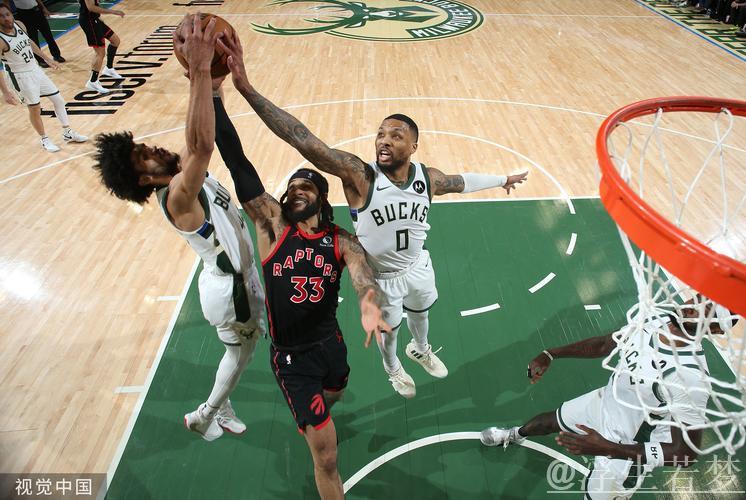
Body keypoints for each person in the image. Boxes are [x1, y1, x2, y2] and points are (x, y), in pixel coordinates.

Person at [217, 31, 528, 399]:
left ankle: (421, 349)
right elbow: (302, 138)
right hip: (381, 275)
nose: (384, 140)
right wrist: (246, 89)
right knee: (388, 331)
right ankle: (393, 367)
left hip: (417, 265)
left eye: (396, 135)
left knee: (422, 312)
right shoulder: (360, 176)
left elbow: (461, 182)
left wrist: (502, 179)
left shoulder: (426, 178)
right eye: (381, 134)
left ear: (413, 146)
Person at [214, 70, 390, 500]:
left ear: (321, 198)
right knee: (326, 457)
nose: (295, 191)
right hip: (292, 359)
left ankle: (316, 416)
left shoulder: (340, 240)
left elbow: (363, 276)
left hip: (330, 345)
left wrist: (370, 305)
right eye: (291, 186)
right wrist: (214, 94)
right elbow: (237, 161)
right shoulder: (273, 226)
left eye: (305, 186)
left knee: (337, 390)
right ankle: (315, 427)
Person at [91, 16, 265, 442]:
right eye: (142, 156)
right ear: (143, 179)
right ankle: (205, 415)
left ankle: (222, 405)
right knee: (241, 355)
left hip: (235, 278)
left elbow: (199, 135)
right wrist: (200, 70)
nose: (152, 147)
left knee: (240, 350)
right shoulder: (176, 196)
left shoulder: (177, 172)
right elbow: (203, 144)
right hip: (230, 288)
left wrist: (211, 84)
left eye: (143, 145)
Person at [480, 305, 738, 500]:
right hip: (605, 402)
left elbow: (685, 454)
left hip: (626, 447)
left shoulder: (690, 377)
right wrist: (552, 354)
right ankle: (513, 435)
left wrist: (609, 448)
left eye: (706, 310)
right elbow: (606, 344)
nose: (692, 306)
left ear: (716, 329)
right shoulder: (655, 318)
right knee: (549, 420)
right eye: (697, 298)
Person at [0, 4, 87, 152]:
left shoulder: (19, 24)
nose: (6, 18)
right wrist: (5, 92)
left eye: (7, 14)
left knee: (58, 100)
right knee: (35, 108)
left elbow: (29, 42)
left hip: (35, 69)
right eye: (1, 16)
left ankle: (67, 132)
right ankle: (44, 139)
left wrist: (46, 58)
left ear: (12, 14)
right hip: (20, 76)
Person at [79, 0, 124, 94]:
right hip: (89, 22)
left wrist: (98, 16)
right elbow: (91, 7)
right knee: (100, 53)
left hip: (95, 19)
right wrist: (113, 12)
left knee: (115, 41)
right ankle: (93, 81)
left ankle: (109, 68)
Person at [5, 0, 65, 66]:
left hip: (37, 10)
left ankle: (57, 55)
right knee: (33, 38)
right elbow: (6, 2)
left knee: (48, 35)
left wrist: (44, 8)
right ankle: (40, 61)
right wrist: (10, 16)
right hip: (24, 14)